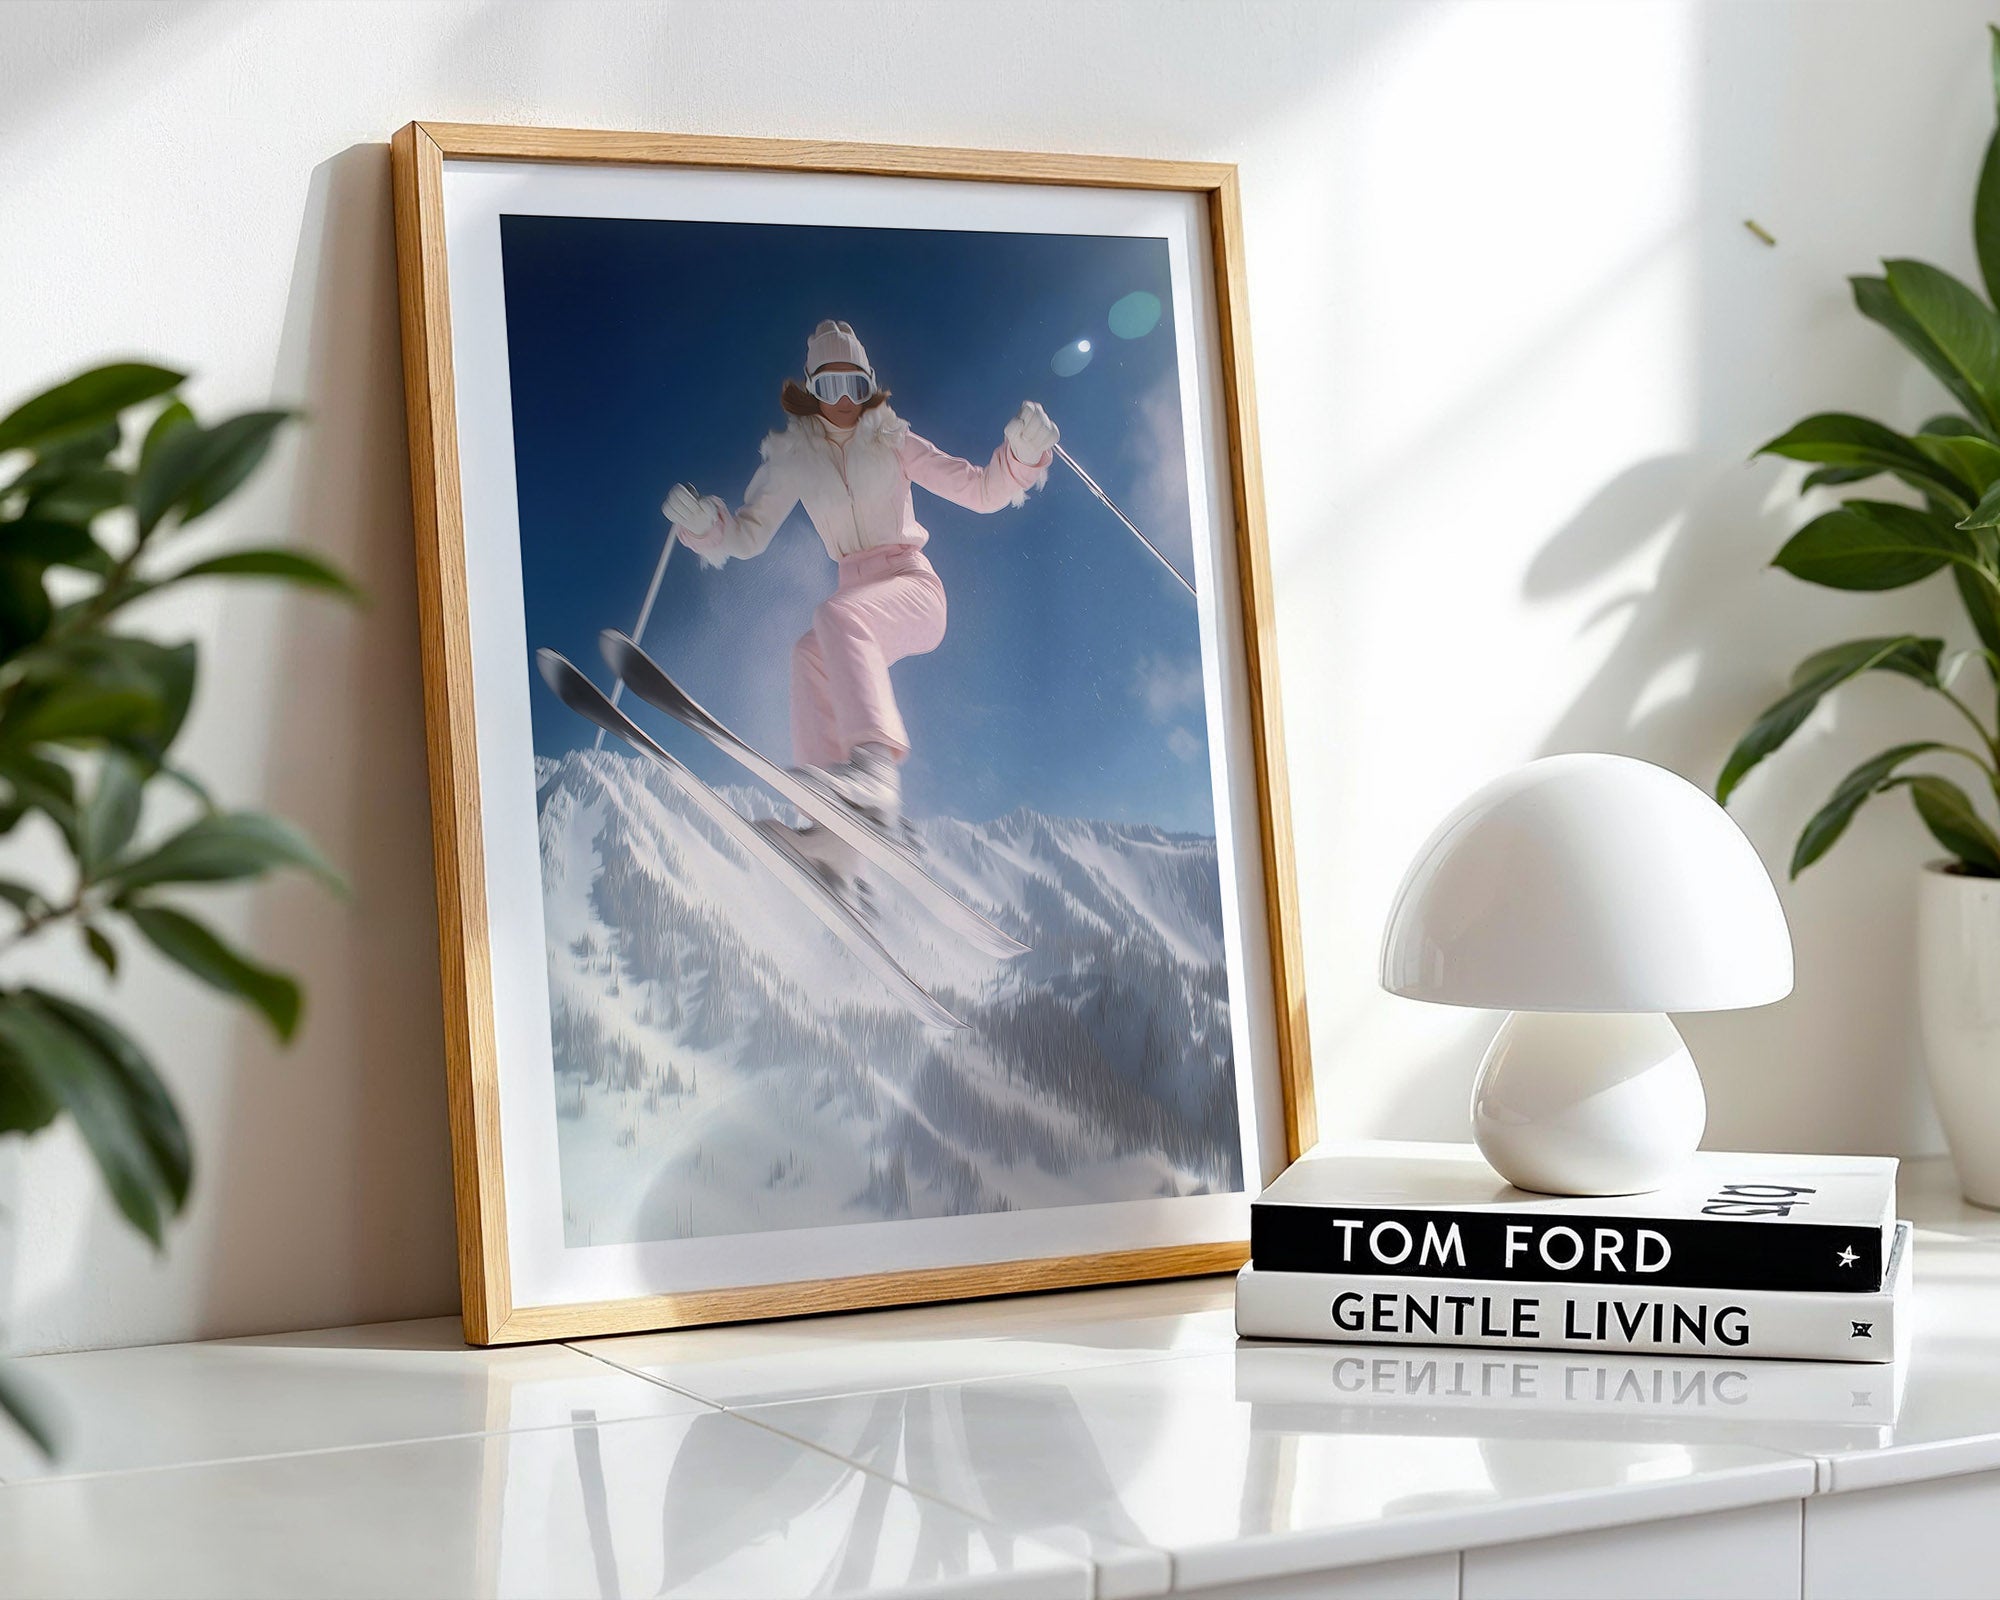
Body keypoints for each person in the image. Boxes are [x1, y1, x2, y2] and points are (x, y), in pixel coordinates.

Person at [663, 319, 1058, 879]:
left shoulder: (893, 441)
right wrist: (707, 526)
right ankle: (832, 836)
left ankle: (874, 777)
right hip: (856, 602)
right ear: (809, 393)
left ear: (870, 386)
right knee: (810, 653)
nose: (844, 401)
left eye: (854, 385)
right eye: (828, 388)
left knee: (835, 617)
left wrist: (1020, 456)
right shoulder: (795, 458)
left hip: (913, 590)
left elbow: (980, 489)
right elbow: (748, 535)